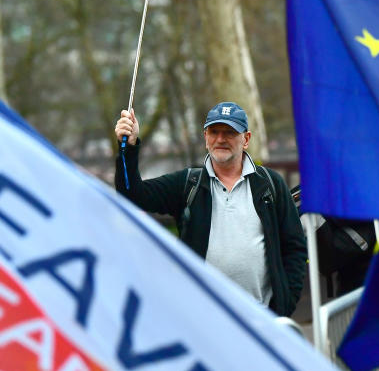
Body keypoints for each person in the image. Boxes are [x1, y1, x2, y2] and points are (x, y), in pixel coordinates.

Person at [114, 101, 307, 317]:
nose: (221, 139)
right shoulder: (188, 183)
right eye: (214, 131)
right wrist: (128, 148)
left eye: (230, 132)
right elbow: (132, 195)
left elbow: (295, 247)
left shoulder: (270, 185)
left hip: (260, 321)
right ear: (205, 137)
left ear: (246, 139)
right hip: (204, 322)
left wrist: (284, 304)